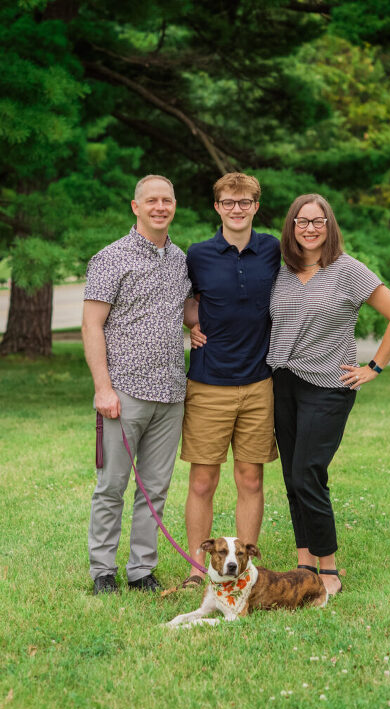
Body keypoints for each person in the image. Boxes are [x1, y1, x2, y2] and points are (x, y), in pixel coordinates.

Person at [267, 193, 390, 596]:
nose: (310, 228)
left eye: (318, 221)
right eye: (302, 221)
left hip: (328, 386)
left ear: (329, 226)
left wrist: (374, 367)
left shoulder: (347, 270)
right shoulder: (280, 272)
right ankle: (304, 563)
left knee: (308, 473)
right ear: (291, 227)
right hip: (282, 383)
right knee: (292, 477)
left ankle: (328, 568)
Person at [82, 174, 198, 595]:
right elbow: (91, 326)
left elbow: (184, 311)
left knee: (155, 490)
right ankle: (102, 571)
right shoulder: (110, 258)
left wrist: (199, 325)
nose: (160, 207)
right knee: (111, 487)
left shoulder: (180, 260)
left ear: (174, 206)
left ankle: (141, 570)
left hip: (171, 393)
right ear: (136, 207)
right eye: (151, 200)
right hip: (124, 391)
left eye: (167, 200)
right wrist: (103, 388)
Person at [180, 172, 281, 588]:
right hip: (208, 383)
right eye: (228, 202)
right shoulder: (198, 254)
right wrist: (192, 324)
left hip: (259, 383)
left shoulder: (272, 249)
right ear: (217, 207)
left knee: (251, 479)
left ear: (256, 206)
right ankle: (196, 569)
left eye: (244, 202)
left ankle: (246, 571)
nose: (236, 209)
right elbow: (183, 300)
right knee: (203, 480)